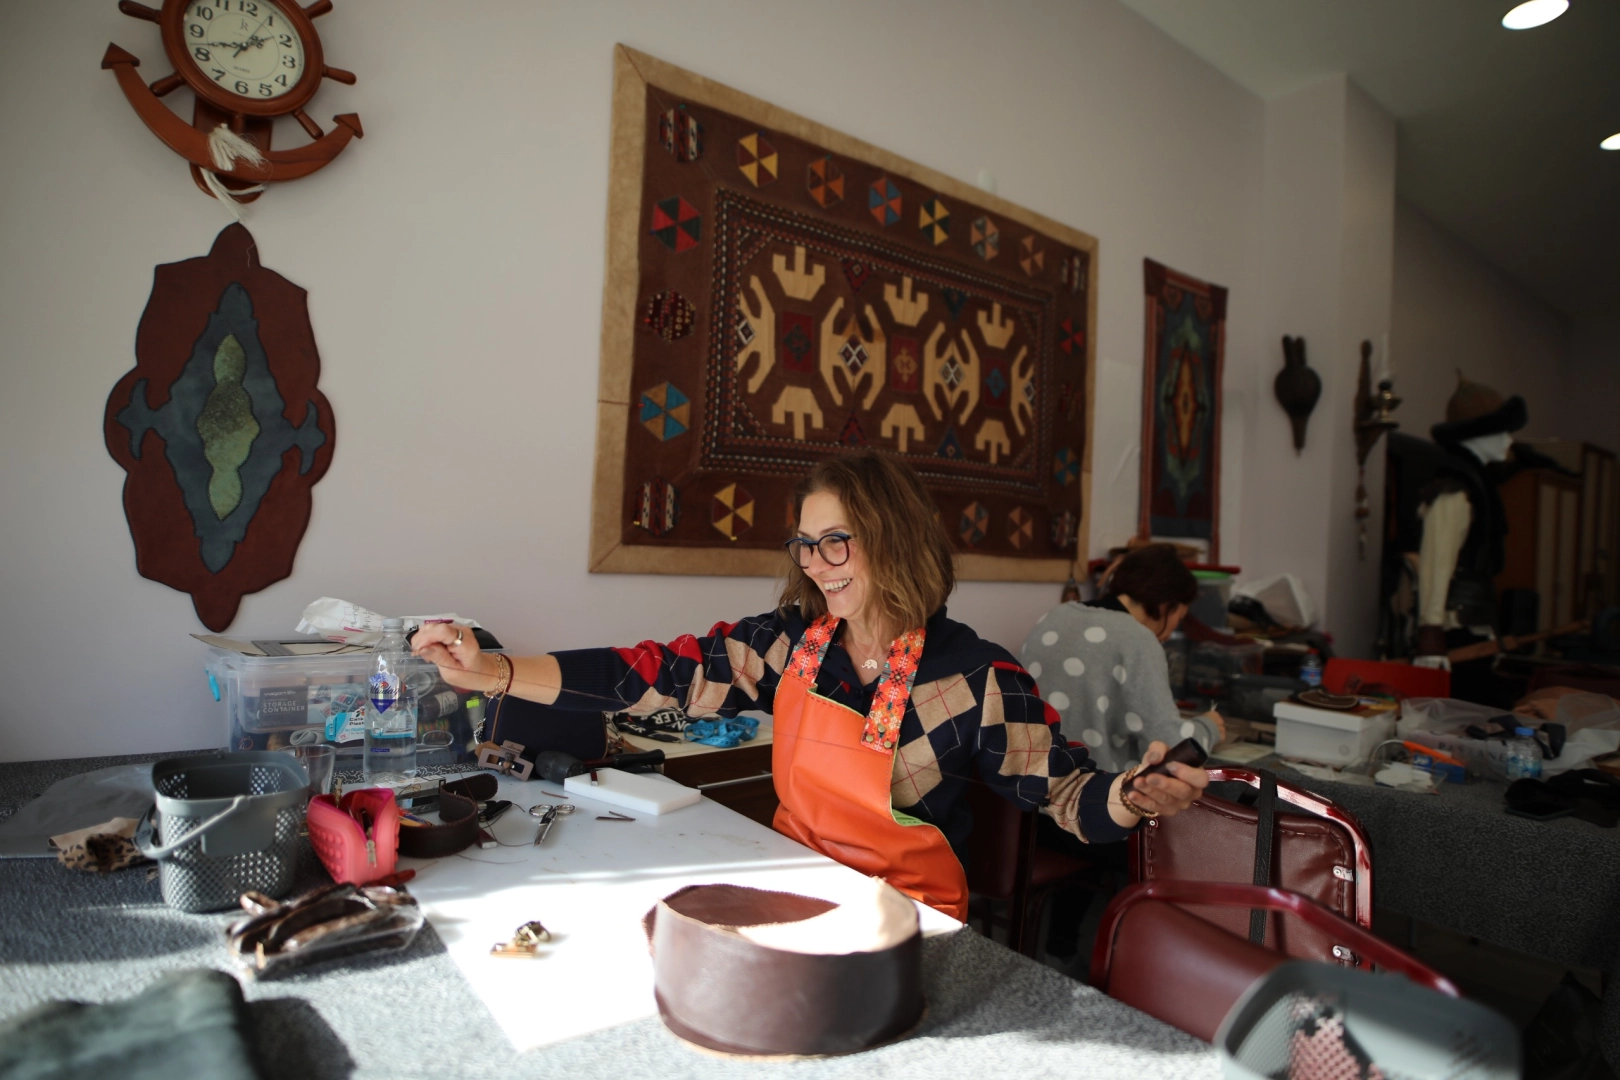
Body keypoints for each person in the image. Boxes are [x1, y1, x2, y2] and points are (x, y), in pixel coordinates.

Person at [412, 450, 1208, 922]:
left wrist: (1135, 796)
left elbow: (1069, 797)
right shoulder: (792, 644)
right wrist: (495, 671)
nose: (816, 564)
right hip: (793, 893)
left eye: (836, 541)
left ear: (893, 537)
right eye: (805, 544)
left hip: (908, 926)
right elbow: (647, 676)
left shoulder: (978, 677)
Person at [1020, 543, 1225, 774]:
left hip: (1031, 781)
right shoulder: (1137, 638)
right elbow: (1171, 746)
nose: (1174, 629)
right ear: (1165, 605)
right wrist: (1209, 727)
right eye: (1180, 616)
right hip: (1092, 787)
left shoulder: (1055, 616)